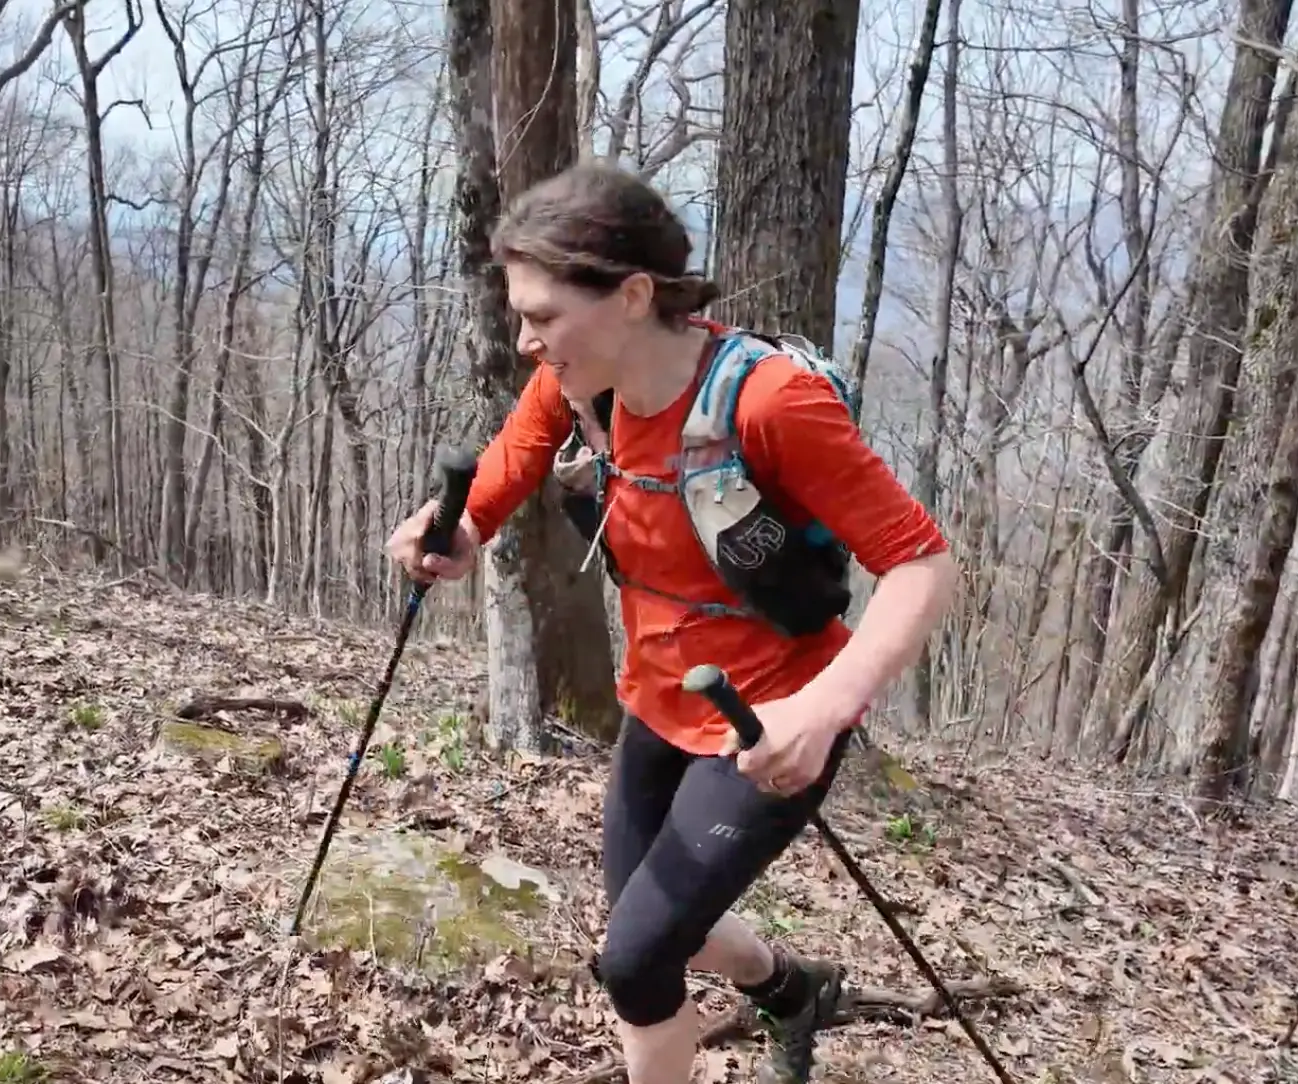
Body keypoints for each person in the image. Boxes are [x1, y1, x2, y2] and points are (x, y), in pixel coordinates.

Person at [383, 161, 956, 1084]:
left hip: (766, 720)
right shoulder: (581, 383)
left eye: (543, 316)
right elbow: (517, 456)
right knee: (653, 930)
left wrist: (824, 711)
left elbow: (922, 564)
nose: (528, 342)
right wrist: (459, 524)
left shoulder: (770, 404)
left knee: (636, 959)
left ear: (634, 295)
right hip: (654, 703)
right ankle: (790, 988)